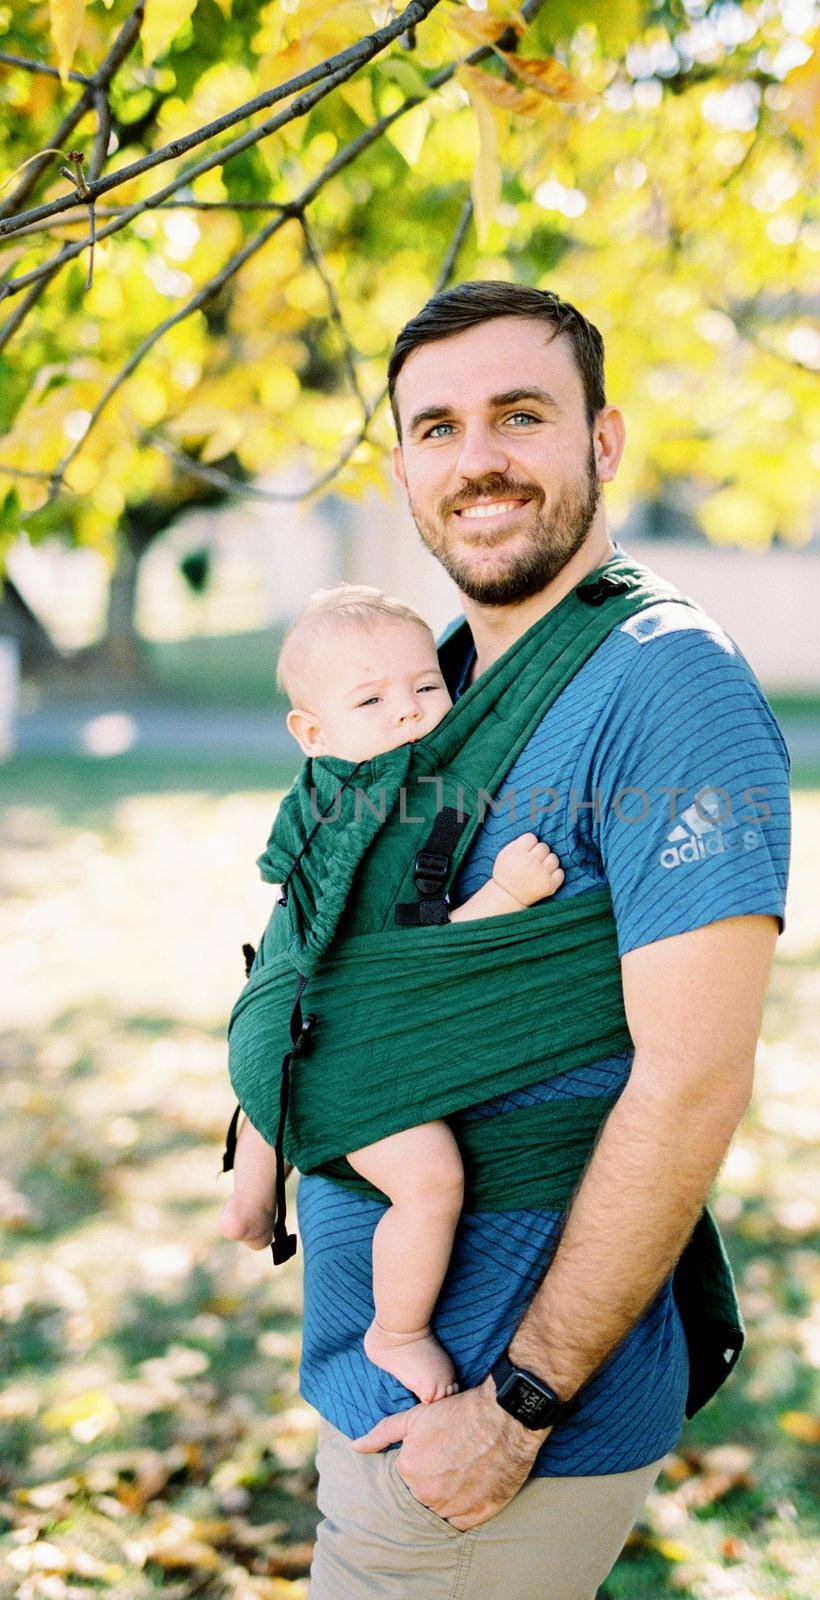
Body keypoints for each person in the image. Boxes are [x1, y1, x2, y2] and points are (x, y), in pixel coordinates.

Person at [300, 281, 792, 1600]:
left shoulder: (664, 682)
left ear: (603, 440)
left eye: (521, 415)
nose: (479, 461)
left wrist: (515, 1406)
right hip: (384, 1375)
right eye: (438, 426)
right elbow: (337, 942)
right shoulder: (435, 681)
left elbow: (692, 1079)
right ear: (401, 461)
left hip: (493, 1419)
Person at [220, 582, 565, 1404]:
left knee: (279, 1081)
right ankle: (398, 1329)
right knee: (430, 1181)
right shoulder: (395, 811)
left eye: (425, 686)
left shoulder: (316, 796)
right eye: (371, 699)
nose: (409, 713)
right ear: (312, 731)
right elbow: (409, 958)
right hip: (342, 1041)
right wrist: (504, 897)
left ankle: (249, 1198)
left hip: (277, 1031)